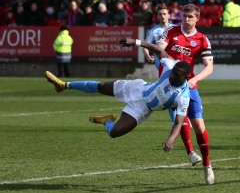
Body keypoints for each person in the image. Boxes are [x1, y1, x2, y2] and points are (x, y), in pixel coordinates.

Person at [43, 51, 192, 152]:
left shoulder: (183, 96)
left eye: (176, 75)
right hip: (136, 88)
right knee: (101, 87)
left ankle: (107, 121)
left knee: (114, 133)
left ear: (186, 77)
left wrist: (171, 139)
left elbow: (179, 122)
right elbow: (158, 50)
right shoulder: (170, 67)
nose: (171, 76)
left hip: (142, 109)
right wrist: (138, 42)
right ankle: (63, 85)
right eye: (172, 73)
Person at [154, 4, 215, 185]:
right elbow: (159, 48)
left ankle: (207, 164)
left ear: (197, 18)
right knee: (180, 116)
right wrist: (169, 64)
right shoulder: (171, 32)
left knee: (199, 126)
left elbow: (209, 67)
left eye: (190, 16)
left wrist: (195, 80)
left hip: (189, 85)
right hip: (169, 85)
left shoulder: (202, 39)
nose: (187, 19)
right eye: (185, 16)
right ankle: (189, 150)